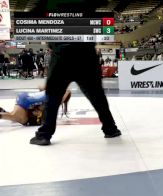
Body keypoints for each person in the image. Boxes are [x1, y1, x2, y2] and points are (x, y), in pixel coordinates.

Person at [30, 0, 121, 146]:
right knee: (97, 96)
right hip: (86, 54)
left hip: (61, 54)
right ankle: (110, 129)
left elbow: (34, 16)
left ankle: (44, 134)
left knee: (53, 97)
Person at [0, 89, 71, 126]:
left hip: (25, 99)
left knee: (19, 118)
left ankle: (2, 112)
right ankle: (2, 113)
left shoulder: (51, 93)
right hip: (26, 100)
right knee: (16, 117)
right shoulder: (53, 98)